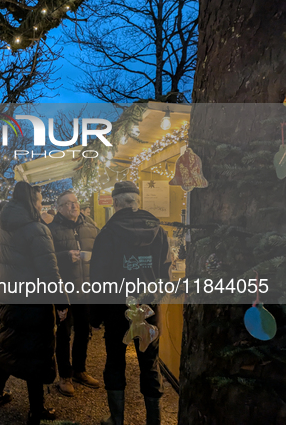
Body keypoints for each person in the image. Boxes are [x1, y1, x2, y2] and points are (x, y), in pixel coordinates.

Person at [90, 181, 171, 425]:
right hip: (148, 309)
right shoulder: (158, 229)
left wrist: (95, 318)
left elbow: (99, 278)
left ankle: (116, 419)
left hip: (118, 310)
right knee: (150, 363)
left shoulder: (107, 233)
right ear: (137, 202)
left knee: (115, 361)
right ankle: (153, 421)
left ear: (115, 203)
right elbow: (165, 272)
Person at [0, 182, 68, 425]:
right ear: (31, 201)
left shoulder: (5, 225)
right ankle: (36, 411)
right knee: (36, 353)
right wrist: (62, 302)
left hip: (9, 298)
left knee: (8, 345)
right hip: (33, 301)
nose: (42, 203)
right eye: (40, 199)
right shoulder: (36, 228)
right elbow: (49, 270)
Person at [50, 190, 100, 396]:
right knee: (63, 335)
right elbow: (46, 258)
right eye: (68, 203)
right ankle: (64, 376)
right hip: (64, 291)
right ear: (59, 208)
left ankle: (80, 369)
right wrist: (64, 256)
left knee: (83, 333)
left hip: (86, 290)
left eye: (76, 202)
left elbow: (101, 251)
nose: (74, 206)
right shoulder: (51, 229)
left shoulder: (90, 226)